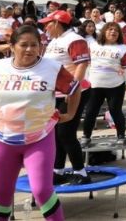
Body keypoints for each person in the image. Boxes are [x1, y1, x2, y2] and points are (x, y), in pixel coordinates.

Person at [0, 25, 81, 221]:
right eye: (24, 45)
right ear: (12, 46)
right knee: (1, 194)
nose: (29, 49)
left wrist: (70, 113)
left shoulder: (52, 68)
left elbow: (75, 88)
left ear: (40, 47)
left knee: (42, 190)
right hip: (3, 139)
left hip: (39, 138)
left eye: (34, 45)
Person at [39, 10, 91, 185]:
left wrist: (72, 90)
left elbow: (81, 66)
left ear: (57, 23)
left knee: (66, 133)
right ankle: (57, 170)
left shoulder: (75, 40)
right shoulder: (54, 41)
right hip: (56, 94)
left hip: (74, 93)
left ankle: (81, 172)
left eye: (48, 23)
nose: (45, 27)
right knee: (55, 133)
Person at [82, 22, 126, 145]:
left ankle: (121, 136)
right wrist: (83, 81)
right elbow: (85, 65)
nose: (113, 32)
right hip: (95, 85)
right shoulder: (93, 46)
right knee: (90, 112)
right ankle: (86, 136)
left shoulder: (123, 49)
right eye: (110, 29)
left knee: (115, 111)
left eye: (116, 30)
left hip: (115, 85)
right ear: (104, 32)